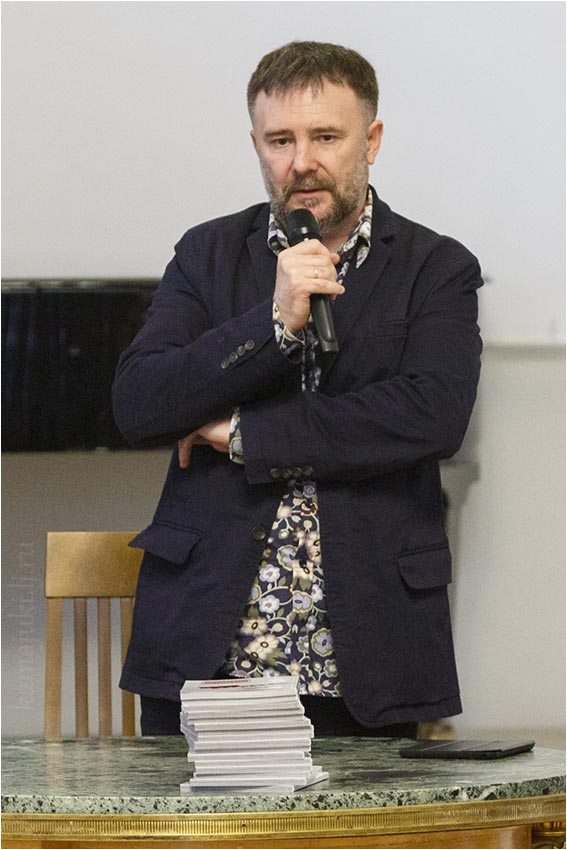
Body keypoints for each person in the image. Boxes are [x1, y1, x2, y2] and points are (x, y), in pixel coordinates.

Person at [112, 41, 483, 737]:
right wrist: (274, 323)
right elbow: (139, 402)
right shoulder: (207, 253)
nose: (301, 162)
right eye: (280, 140)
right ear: (256, 144)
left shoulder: (436, 267)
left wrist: (240, 433)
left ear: (371, 140)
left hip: (370, 650)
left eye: (325, 137)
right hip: (205, 644)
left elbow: (430, 415)